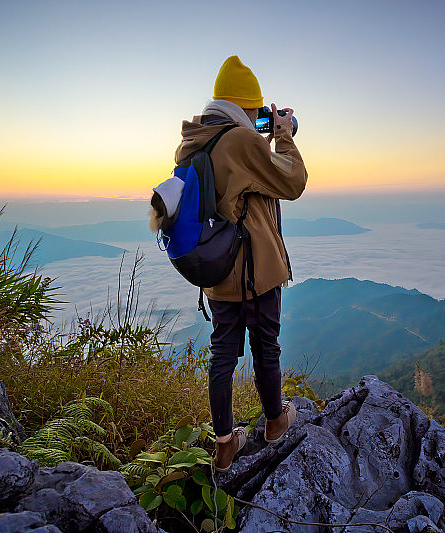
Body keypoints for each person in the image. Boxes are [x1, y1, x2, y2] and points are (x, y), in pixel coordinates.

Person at [163, 56, 307, 471]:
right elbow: (292, 182)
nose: (261, 120)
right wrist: (283, 135)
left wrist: (256, 140)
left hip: (217, 268)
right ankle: (276, 422)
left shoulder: (198, 139)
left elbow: (236, 183)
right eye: (258, 113)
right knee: (266, 347)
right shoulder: (241, 142)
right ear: (247, 108)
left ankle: (225, 446)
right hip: (254, 271)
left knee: (223, 355)